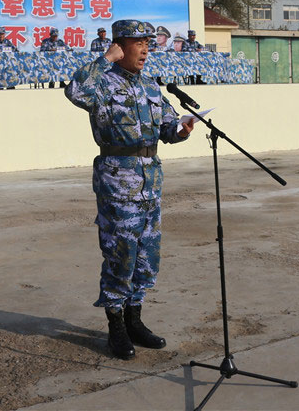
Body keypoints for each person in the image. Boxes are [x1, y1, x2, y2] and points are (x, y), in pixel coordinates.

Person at [64, 19, 195, 360]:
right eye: (139, 43)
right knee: (121, 256)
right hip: (117, 182)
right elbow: (75, 91)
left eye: (149, 43)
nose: (146, 49)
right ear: (120, 46)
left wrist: (181, 130)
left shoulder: (151, 86)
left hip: (151, 183)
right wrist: (105, 59)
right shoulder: (102, 83)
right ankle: (116, 327)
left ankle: (135, 319)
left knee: (147, 258)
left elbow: (167, 127)